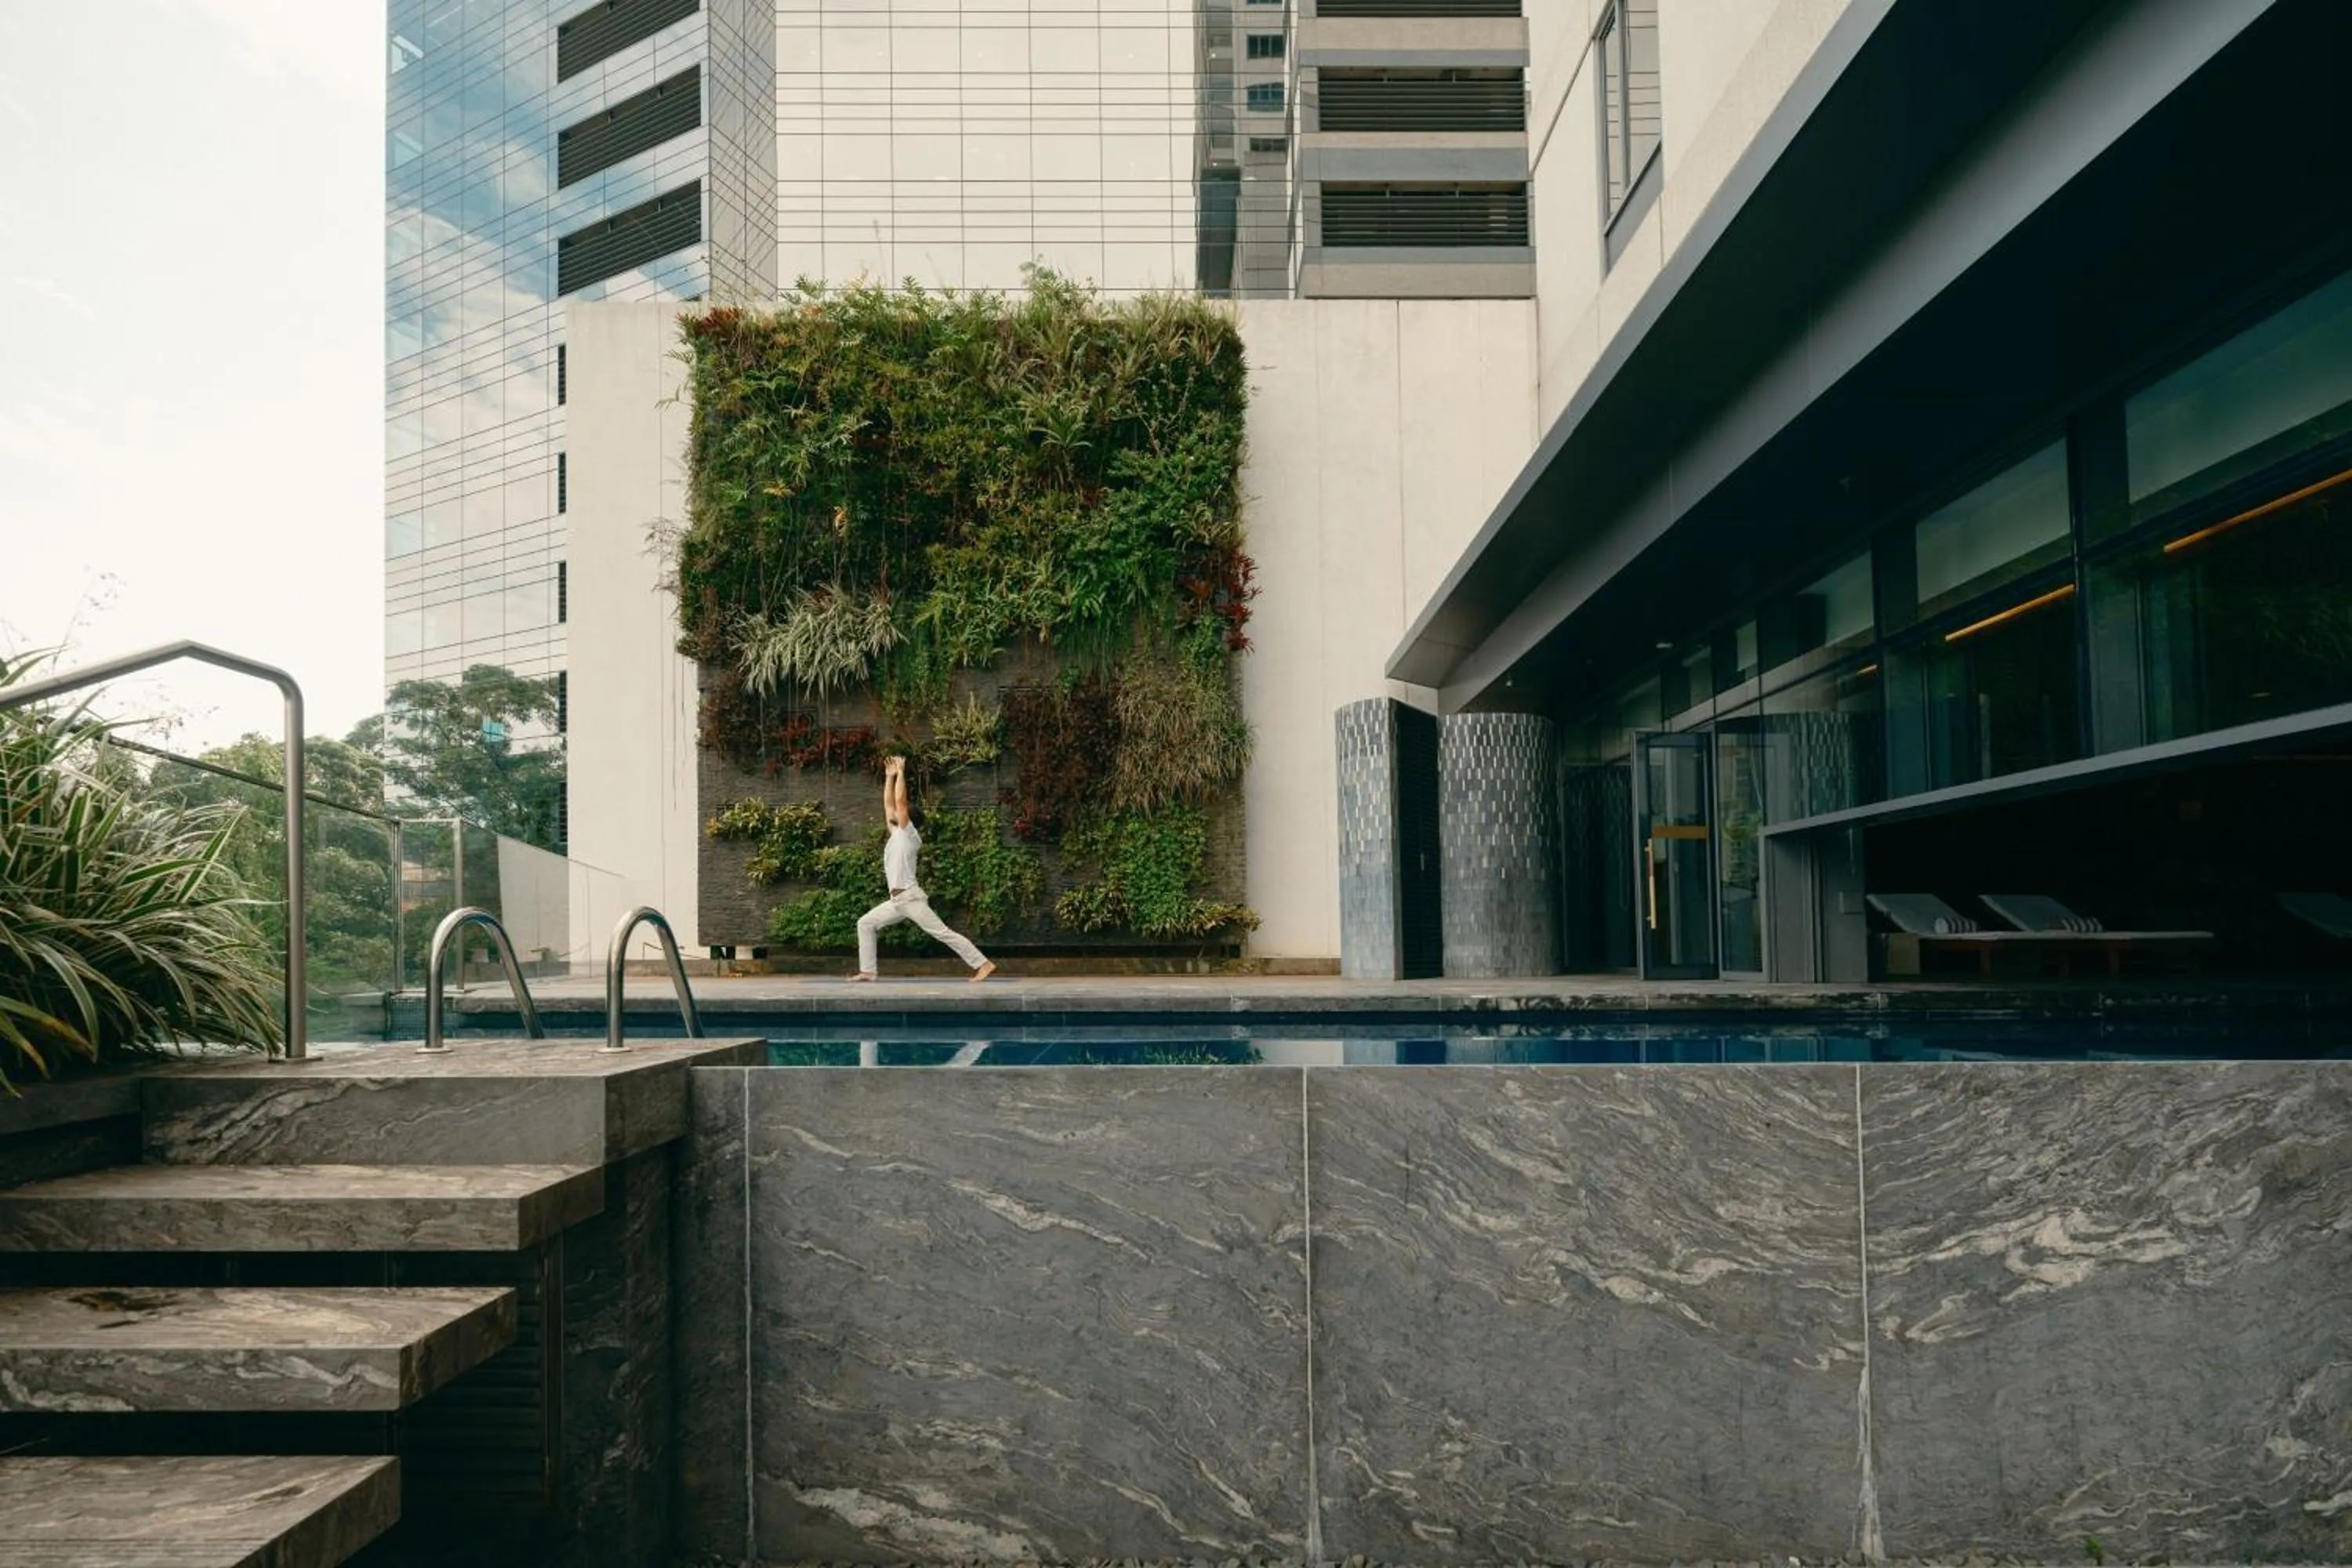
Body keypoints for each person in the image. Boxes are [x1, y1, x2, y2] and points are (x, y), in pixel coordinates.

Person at [848, 754, 996, 983]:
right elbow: (889, 804)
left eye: (901, 813)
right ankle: (868, 971)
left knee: (942, 932)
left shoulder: (910, 835)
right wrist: (889, 777)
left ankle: (983, 963)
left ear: (908, 819)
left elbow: (899, 801)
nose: (895, 814)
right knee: (865, 923)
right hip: (897, 901)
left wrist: (901, 774)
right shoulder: (897, 833)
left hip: (910, 899)